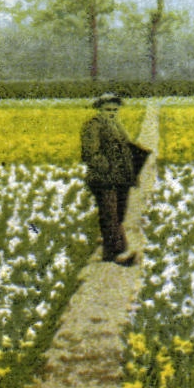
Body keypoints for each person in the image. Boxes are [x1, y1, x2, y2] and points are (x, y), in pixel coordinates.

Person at [80, 93, 148, 266]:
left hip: (121, 178)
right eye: (107, 109)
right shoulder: (93, 126)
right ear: (99, 109)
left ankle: (110, 250)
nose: (111, 112)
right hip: (104, 179)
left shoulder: (117, 125)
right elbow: (90, 153)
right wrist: (107, 168)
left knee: (118, 214)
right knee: (110, 215)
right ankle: (119, 252)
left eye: (115, 110)